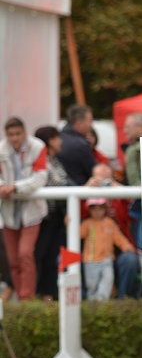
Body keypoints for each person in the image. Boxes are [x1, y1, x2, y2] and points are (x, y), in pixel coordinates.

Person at [0, 117, 49, 300]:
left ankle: (26, 298)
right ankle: (21, 298)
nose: (14, 138)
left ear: (24, 132)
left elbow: (41, 177)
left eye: (17, 134)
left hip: (31, 211)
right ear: (6, 135)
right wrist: (2, 186)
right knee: (13, 260)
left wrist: (15, 187)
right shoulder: (1, 149)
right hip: (9, 212)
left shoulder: (37, 147)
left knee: (25, 254)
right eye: (11, 134)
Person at [84, 162, 142, 298]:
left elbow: (133, 213)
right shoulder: (87, 198)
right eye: (100, 180)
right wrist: (86, 189)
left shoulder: (118, 198)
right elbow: (78, 218)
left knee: (130, 259)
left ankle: (121, 299)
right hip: (94, 251)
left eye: (107, 181)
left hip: (116, 249)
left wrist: (120, 191)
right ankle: (90, 300)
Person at [33, 125, 73, 300]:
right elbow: (53, 183)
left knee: (51, 257)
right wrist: (82, 187)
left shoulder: (55, 160)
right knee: (37, 256)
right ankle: (29, 294)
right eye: (57, 137)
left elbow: (64, 182)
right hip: (43, 217)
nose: (61, 141)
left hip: (56, 217)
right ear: (50, 140)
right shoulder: (43, 160)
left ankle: (47, 295)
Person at [80, 198, 134, 301]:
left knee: (107, 281)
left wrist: (126, 246)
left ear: (105, 209)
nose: (97, 212)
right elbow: (78, 233)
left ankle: (102, 303)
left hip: (106, 260)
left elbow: (119, 238)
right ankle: (92, 306)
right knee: (91, 286)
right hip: (91, 261)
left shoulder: (109, 223)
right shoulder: (87, 223)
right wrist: (68, 224)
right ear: (89, 210)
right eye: (94, 209)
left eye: (100, 208)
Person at [122, 112, 142, 248]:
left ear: (139, 126)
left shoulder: (133, 150)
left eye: (128, 127)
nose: (125, 131)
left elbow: (134, 181)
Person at [55, 104, 96, 186]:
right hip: (77, 193)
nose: (91, 125)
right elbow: (93, 170)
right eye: (90, 121)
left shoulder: (58, 138)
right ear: (79, 123)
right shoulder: (81, 144)